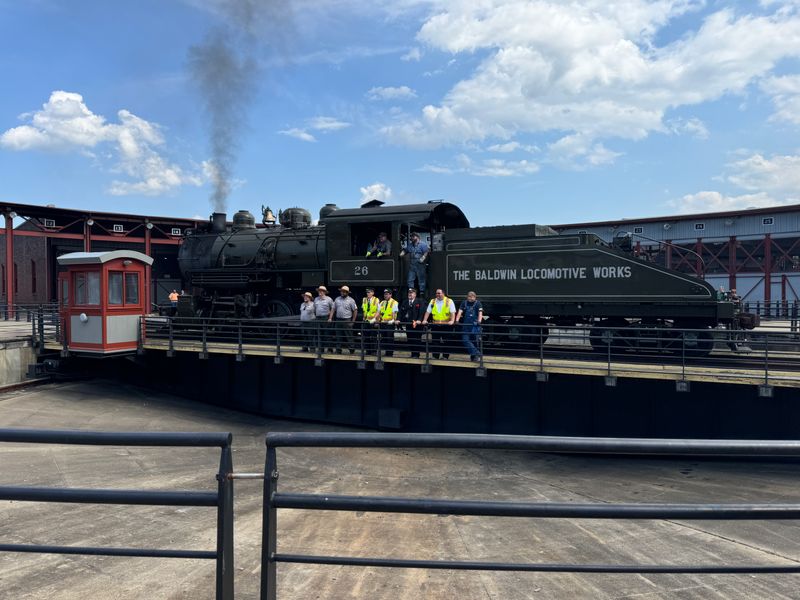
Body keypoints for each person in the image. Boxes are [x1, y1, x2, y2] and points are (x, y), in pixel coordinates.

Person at [422, 288, 456, 359]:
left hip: (446, 325)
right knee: (435, 341)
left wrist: (452, 321)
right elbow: (428, 312)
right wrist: (424, 320)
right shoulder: (433, 301)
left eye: (439, 293)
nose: (437, 294)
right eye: (437, 293)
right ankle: (435, 356)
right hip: (435, 324)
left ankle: (445, 357)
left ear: (443, 294)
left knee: (447, 341)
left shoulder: (449, 301)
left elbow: (453, 312)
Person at [456, 291, 484, 361]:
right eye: (469, 297)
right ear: (467, 297)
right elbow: (460, 312)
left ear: (475, 297)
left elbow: (480, 313)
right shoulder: (464, 303)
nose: (471, 298)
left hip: (474, 325)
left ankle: (474, 357)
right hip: (466, 325)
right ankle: (477, 353)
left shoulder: (478, 303)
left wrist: (479, 321)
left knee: (474, 341)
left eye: (472, 297)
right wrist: (457, 320)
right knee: (465, 340)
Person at [331, 285, 358, 354]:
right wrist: (330, 318)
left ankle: (351, 349)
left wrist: (353, 321)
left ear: (347, 293)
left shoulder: (351, 300)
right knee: (338, 336)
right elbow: (333, 309)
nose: (342, 293)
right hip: (338, 320)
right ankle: (338, 350)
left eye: (344, 292)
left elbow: (355, 310)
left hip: (347, 320)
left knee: (349, 335)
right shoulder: (337, 299)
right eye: (341, 291)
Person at [401, 232, 429, 297]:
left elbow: (426, 252)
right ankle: (411, 292)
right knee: (410, 279)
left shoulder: (423, 244)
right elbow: (405, 250)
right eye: (411, 236)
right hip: (412, 265)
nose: (412, 238)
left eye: (413, 236)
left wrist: (423, 257)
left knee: (421, 279)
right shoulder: (410, 245)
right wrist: (401, 254)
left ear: (417, 237)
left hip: (420, 264)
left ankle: (422, 293)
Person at [399, 287, 424, 358]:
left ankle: (416, 354)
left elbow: (422, 311)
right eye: (409, 293)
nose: (410, 294)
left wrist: (419, 319)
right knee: (410, 339)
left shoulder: (420, 301)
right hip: (408, 324)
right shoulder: (405, 302)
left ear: (415, 294)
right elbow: (400, 312)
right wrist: (398, 319)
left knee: (417, 339)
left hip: (417, 324)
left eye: (411, 293)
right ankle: (413, 354)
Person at [313, 285, 335, 352]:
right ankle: (321, 349)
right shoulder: (316, 299)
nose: (320, 292)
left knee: (327, 334)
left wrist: (330, 318)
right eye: (319, 291)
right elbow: (314, 309)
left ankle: (330, 349)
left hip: (325, 318)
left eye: (321, 291)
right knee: (319, 334)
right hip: (318, 318)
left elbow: (332, 309)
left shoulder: (329, 299)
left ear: (324, 292)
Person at [377, 288, 398, 356]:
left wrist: (393, 320)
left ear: (390, 295)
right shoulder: (382, 302)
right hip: (383, 323)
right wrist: (377, 320)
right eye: (384, 294)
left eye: (387, 294)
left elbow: (395, 313)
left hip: (390, 324)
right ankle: (386, 352)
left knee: (389, 338)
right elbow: (378, 312)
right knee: (384, 338)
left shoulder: (394, 302)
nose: (385, 295)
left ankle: (390, 353)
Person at [360, 287, 380, 353]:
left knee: (373, 337)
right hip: (366, 321)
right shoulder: (364, 299)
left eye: (369, 292)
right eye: (367, 292)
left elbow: (378, 311)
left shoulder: (376, 300)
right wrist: (363, 319)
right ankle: (368, 351)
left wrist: (376, 320)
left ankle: (374, 351)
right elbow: (364, 310)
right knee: (366, 336)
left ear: (373, 293)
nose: (367, 293)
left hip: (373, 321)